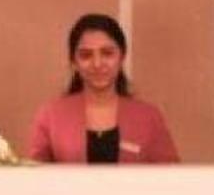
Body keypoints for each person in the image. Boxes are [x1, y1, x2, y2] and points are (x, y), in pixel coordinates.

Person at [25, 13, 179, 164]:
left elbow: (173, 179)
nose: (97, 63)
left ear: (122, 57)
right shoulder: (51, 116)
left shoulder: (148, 118)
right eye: (86, 55)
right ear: (74, 62)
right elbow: (33, 180)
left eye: (107, 53)